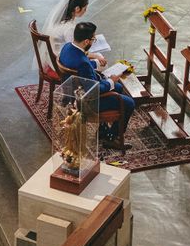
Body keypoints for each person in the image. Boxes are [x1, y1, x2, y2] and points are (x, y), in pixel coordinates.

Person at [58, 22, 135, 150]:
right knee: (129, 103)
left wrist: (94, 63)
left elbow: (78, 64)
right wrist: (111, 81)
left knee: (119, 88)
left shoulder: (67, 47)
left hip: (75, 91)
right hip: (88, 102)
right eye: (93, 39)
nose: (93, 42)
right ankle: (112, 138)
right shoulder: (83, 63)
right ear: (86, 41)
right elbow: (94, 89)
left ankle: (103, 130)